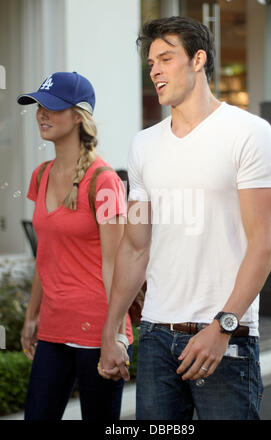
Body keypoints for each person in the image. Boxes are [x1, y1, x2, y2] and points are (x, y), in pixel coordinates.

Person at [98, 16, 271, 420]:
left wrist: (223, 327)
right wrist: (112, 330)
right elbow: (135, 247)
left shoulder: (249, 133)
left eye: (166, 58)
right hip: (156, 338)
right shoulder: (144, 144)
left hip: (224, 341)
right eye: (151, 63)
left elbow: (264, 245)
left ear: (198, 59)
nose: (156, 71)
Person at [17, 71, 133, 420]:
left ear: (79, 116)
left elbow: (116, 264)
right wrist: (31, 315)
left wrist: (114, 334)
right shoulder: (40, 175)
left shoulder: (105, 181)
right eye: (39, 105)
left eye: (52, 107)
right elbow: (45, 256)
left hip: (97, 328)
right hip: (54, 327)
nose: (42, 113)